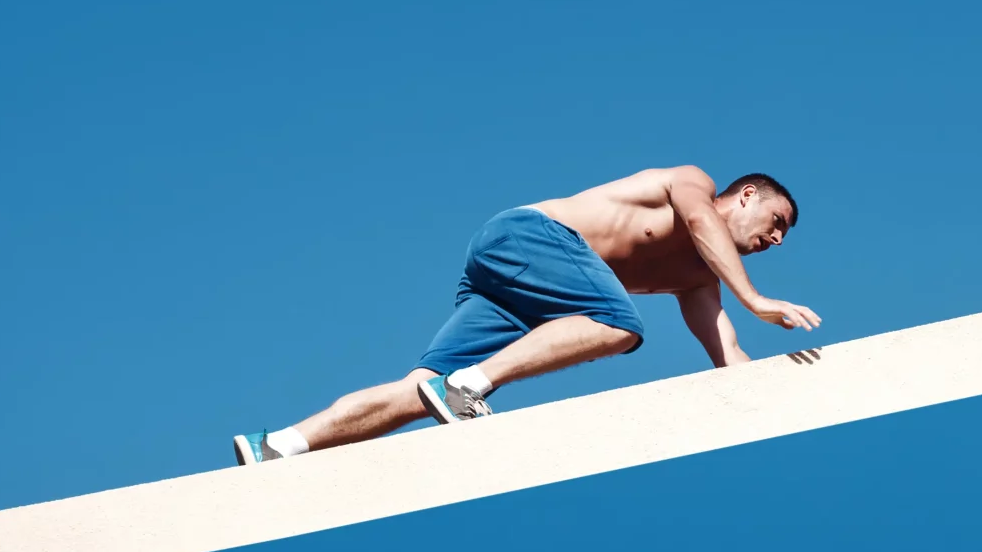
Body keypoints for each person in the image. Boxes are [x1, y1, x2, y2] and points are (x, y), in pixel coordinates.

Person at [233, 165, 817, 463]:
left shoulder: (698, 279)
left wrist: (785, 409)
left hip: (517, 281)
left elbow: (727, 355)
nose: (777, 239)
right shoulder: (692, 183)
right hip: (530, 236)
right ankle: (467, 387)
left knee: (420, 389)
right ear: (747, 195)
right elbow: (699, 221)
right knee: (619, 325)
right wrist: (757, 299)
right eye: (777, 223)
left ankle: (280, 445)